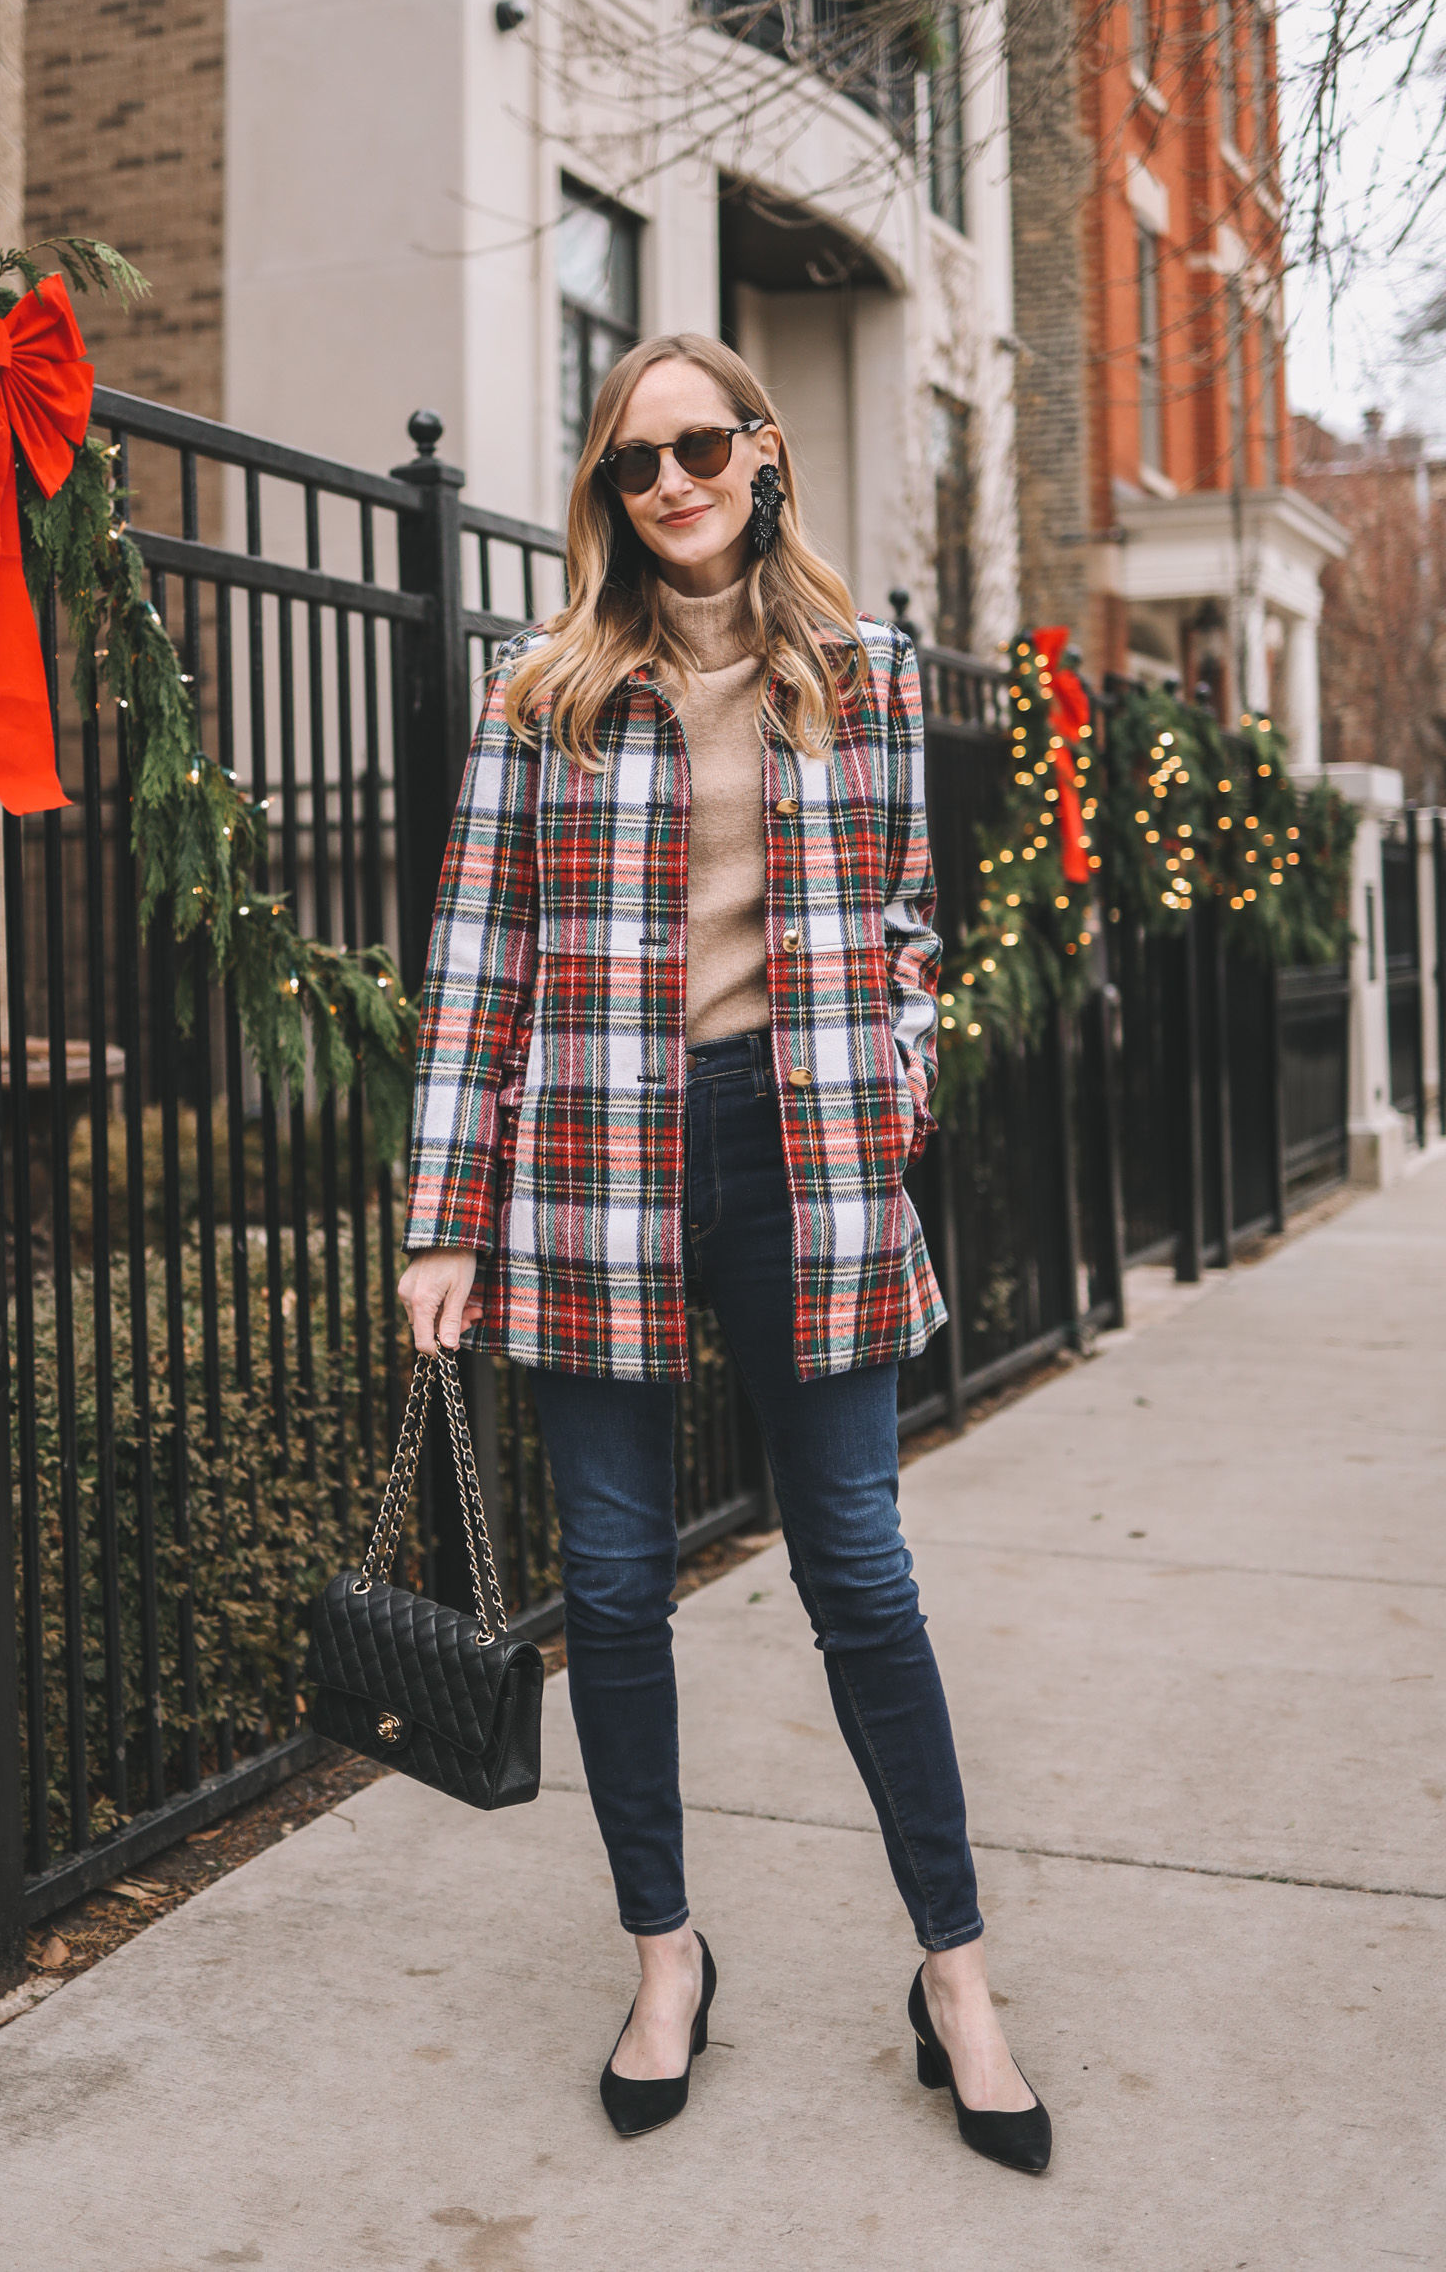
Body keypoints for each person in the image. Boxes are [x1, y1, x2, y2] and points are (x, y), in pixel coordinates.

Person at [397, 332, 1049, 2173]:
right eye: (633, 462)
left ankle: (958, 1978)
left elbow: (912, 918)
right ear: (607, 494)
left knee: (860, 1572)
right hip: (598, 1157)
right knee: (609, 1590)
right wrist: (446, 1214)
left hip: (809, 1149)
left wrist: (895, 1073)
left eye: (700, 446)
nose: (671, 481)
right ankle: (664, 1954)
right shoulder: (539, 695)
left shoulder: (868, 680)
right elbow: (474, 975)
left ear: (763, 452)